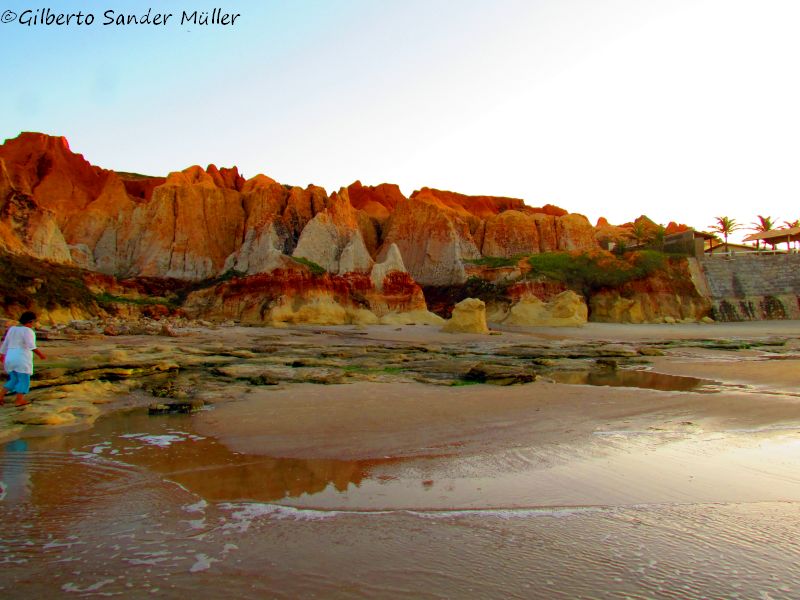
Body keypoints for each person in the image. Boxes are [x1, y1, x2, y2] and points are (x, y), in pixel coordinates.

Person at [0, 311, 46, 407]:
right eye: (34, 322)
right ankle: (19, 400)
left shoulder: (12, 329)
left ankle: (0, 397)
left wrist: (2, 355)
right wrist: (41, 355)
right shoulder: (28, 331)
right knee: (24, 379)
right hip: (21, 358)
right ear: (31, 321)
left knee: (14, 379)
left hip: (10, 356)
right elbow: (31, 346)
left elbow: (5, 343)